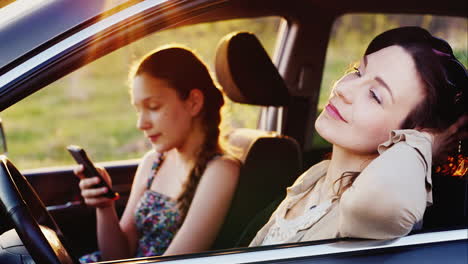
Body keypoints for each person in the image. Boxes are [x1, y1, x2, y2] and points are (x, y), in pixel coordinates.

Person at [250, 26, 467, 246]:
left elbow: (373, 204)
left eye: (375, 95)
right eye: (358, 71)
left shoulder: (384, 202)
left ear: (411, 133)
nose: (344, 89)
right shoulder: (315, 178)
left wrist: (425, 142)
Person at [75, 46, 240, 262]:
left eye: (153, 106)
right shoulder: (153, 162)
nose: (141, 124)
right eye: (138, 110)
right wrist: (105, 207)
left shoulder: (220, 171)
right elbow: (117, 256)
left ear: (194, 102)